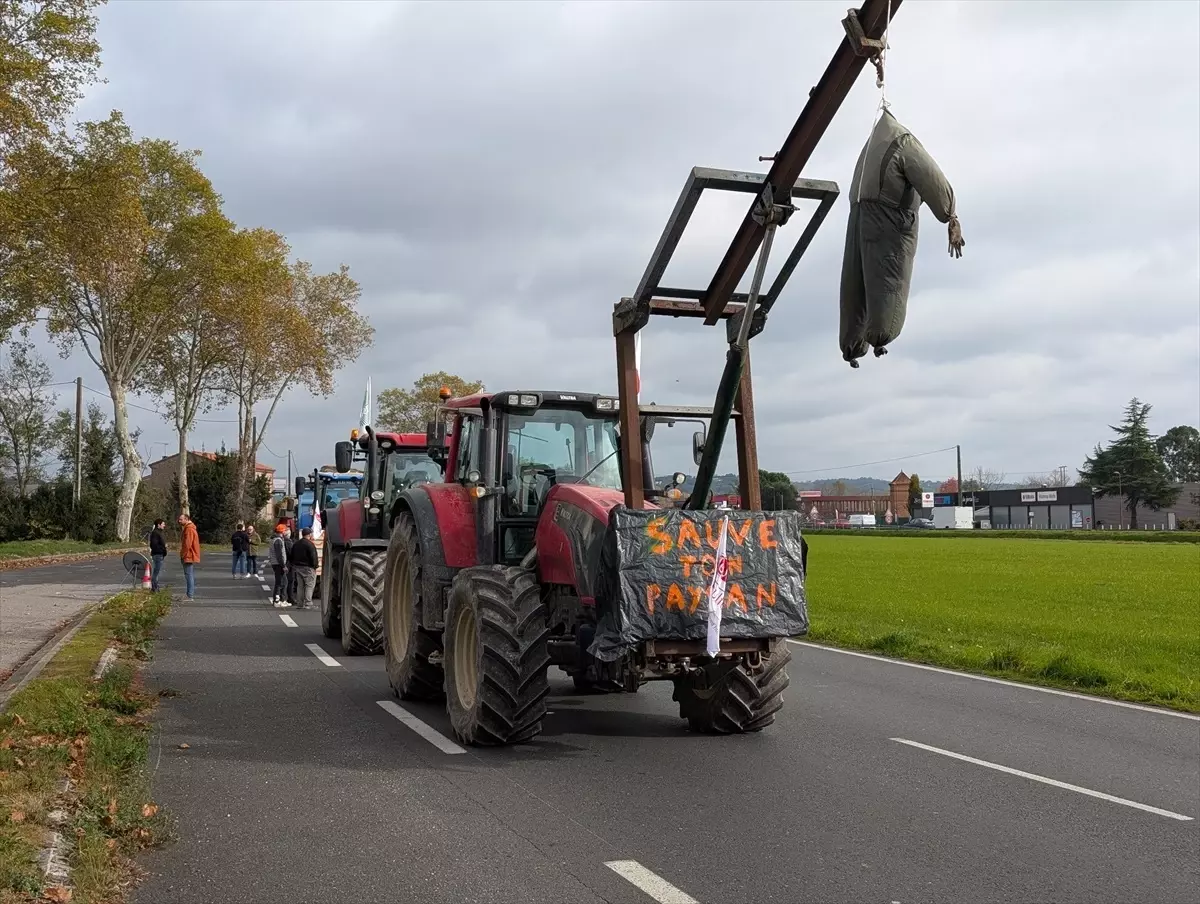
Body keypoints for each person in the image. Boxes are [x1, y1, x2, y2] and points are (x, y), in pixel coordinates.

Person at [289, 527, 319, 610]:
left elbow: (291, 555)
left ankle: (300, 604)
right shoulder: (310, 544)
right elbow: (313, 556)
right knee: (309, 585)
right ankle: (308, 603)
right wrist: (315, 566)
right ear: (309, 534)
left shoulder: (296, 544)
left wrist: (293, 564)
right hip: (308, 567)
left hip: (298, 567)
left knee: (300, 586)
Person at [178, 513, 200, 600]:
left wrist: (183, 554)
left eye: (181, 519)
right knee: (189, 575)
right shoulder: (189, 528)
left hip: (188, 555)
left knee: (189, 575)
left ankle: (189, 595)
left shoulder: (189, 529)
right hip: (189, 554)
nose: (179, 521)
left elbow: (188, 544)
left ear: (186, 519)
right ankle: (189, 594)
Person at [268, 524, 290, 607]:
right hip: (278, 564)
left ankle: (282, 599)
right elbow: (279, 555)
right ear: (282, 531)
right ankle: (277, 600)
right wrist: (283, 565)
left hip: (277, 563)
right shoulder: (278, 541)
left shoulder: (276, 539)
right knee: (280, 582)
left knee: (283, 582)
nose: (285, 531)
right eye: (284, 530)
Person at [148, 518, 168, 591]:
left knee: (157, 571)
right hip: (157, 554)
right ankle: (154, 587)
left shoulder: (159, 532)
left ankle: (155, 586)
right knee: (156, 572)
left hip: (160, 554)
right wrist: (163, 548)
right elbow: (154, 545)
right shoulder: (155, 533)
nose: (164, 525)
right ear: (159, 525)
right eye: (163, 524)